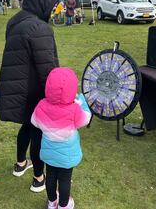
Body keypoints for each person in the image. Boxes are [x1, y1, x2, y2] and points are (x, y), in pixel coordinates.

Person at [0, 0, 63, 193]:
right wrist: (57, 95)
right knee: (37, 133)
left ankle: (20, 163)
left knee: (26, 125)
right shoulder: (39, 28)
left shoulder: (14, 21)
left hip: (19, 89)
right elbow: (48, 70)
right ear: (42, 0)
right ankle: (38, 177)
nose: (54, 7)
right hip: (35, 92)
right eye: (52, 3)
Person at [31, 68, 91, 209]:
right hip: (67, 156)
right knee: (64, 180)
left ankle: (52, 203)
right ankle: (64, 205)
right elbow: (85, 120)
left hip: (48, 152)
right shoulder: (75, 109)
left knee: (50, 176)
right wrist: (82, 102)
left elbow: (34, 121)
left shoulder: (41, 105)